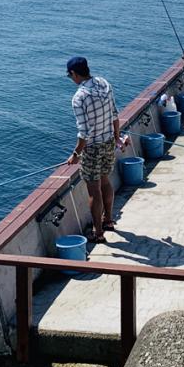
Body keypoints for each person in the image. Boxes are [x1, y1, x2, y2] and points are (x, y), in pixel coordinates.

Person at [64, 56, 121, 244]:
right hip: (108, 143)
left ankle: (98, 233)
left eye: (70, 75)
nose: (71, 79)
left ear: (74, 73)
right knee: (105, 182)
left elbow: (84, 133)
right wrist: (117, 136)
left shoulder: (79, 97)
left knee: (93, 190)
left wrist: (76, 154)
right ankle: (109, 221)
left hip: (93, 149)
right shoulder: (104, 83)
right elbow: (114, 113)